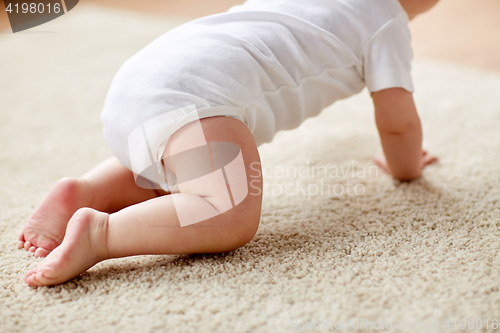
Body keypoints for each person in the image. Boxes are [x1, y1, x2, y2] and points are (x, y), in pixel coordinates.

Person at [20, 0, 439, 287]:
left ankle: (86, 190)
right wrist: (406, 168)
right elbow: (398, 125)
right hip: (195, 99)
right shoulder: (387, 22)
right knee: (228, 209)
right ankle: (102, 234)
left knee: (179, 173)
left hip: (143, 77)